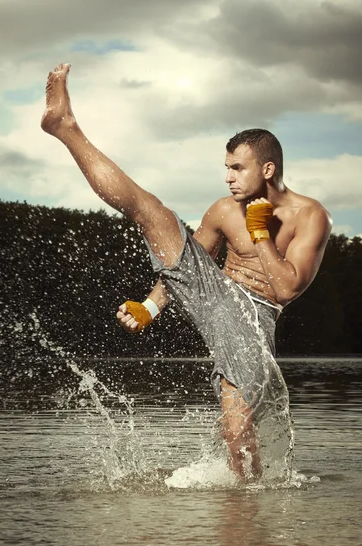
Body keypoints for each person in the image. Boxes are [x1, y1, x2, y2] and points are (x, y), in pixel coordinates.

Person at [41, 63, 332, 483]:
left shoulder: (311, 215)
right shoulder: (221, 210)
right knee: (150, 211)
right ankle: (66, 127)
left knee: (236, 429)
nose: (228, 177)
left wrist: (259, 233)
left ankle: (246, 508)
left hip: (254, 316)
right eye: (227, 167)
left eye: (238, 169)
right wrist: (150, 307)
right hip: (216, 295)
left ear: (267, 170)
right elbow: (186, 268)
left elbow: (286, 288)